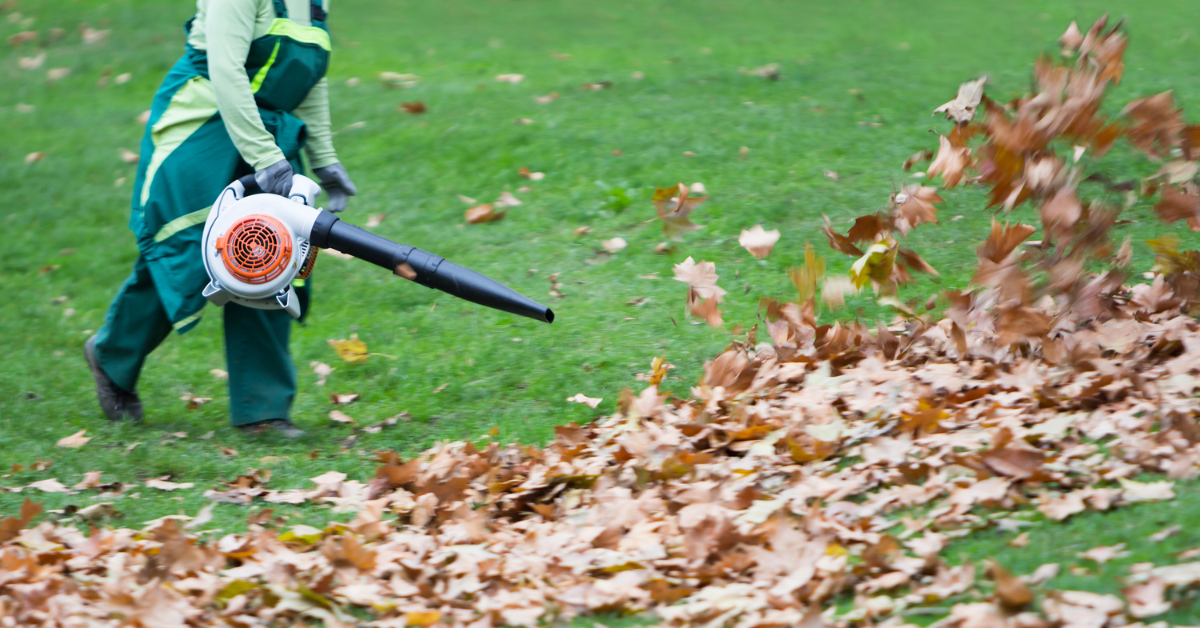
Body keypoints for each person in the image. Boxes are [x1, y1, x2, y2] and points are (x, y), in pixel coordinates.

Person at [83, 0, 356, 438]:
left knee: (271, 256)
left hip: (265, 132)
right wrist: (265, 157)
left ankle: (262, 412)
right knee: (188, 253)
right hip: (202, 124)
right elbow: (227, 71)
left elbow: (311, 79)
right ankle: (112, 355)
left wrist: (325, 159)